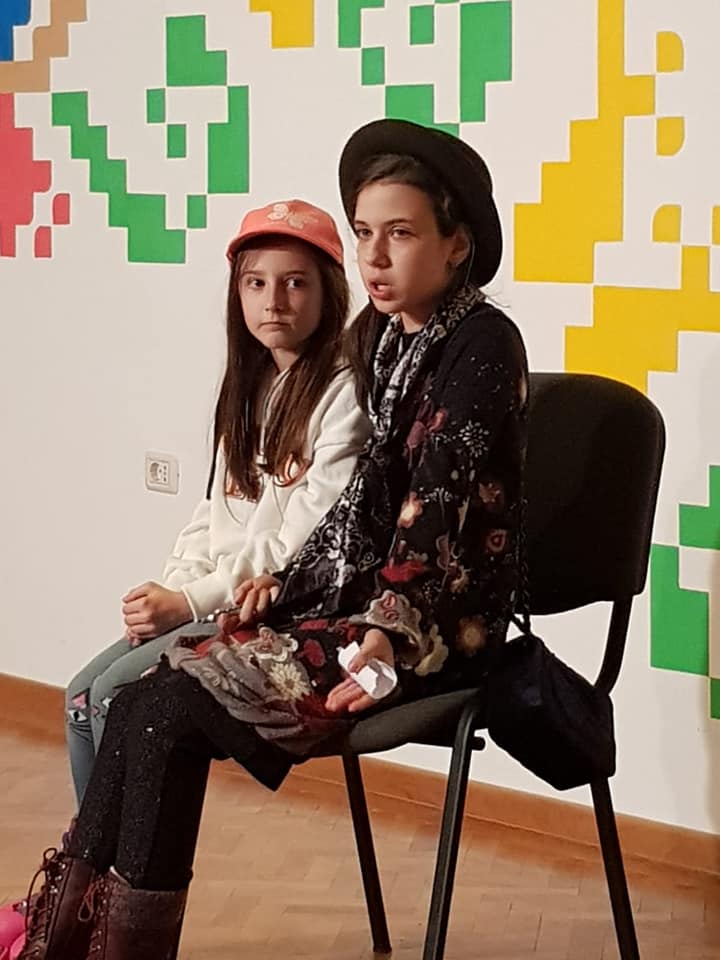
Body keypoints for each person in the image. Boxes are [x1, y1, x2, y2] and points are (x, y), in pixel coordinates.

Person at [15, 119, 528, 960]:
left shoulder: (482, 343)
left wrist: (386, 630)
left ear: (457, 245)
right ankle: (63, 937)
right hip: (357, 610)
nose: (375, 257)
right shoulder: (386, 338)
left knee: (164, 714)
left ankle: (110, 948)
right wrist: (285, 587)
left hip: (432, 631)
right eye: (364, 233)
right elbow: (361, 506)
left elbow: (434, 505)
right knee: (140, 701)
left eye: (401, 234)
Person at [63, 198, 370, 805]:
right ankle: (88, 859)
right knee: (78, 699)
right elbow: (214, 514)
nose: (273, 300)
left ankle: (111, 862)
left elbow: (296, 546)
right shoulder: (248, 387)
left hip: (266, 608)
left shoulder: (343, 393)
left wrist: (188, 605)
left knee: (112, 699)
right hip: (207, 599)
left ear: (329, 293)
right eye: (255, 283)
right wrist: (172, 591)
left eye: (295, 283)